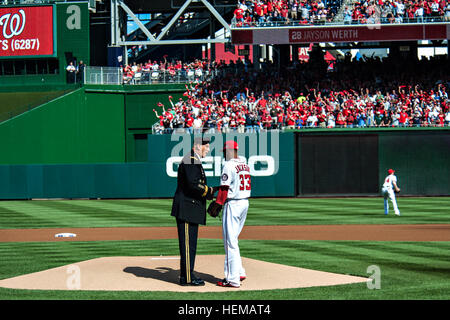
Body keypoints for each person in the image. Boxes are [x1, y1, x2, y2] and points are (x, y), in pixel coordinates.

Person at [170, 137, 217, 286]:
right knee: (188, 245)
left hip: (190, 208)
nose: (208, 149)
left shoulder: (193, 159)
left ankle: (187, 274)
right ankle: (187, 278)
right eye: (206, 146)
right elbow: (193, 184)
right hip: (186, 208)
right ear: (198, 146)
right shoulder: (191, 159)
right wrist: (210, 192)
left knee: (190, 244)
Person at [213, 141, 251, 288]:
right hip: (244, 203)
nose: (224, 154)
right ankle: (240, 271)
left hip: (233, 204)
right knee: (234, 240)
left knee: (230, 243)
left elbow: (224, 188)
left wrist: (217, 204)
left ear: (229, 151)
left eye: (225, 151)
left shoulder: (228, 165)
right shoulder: (244, 163)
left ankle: (232, 279)